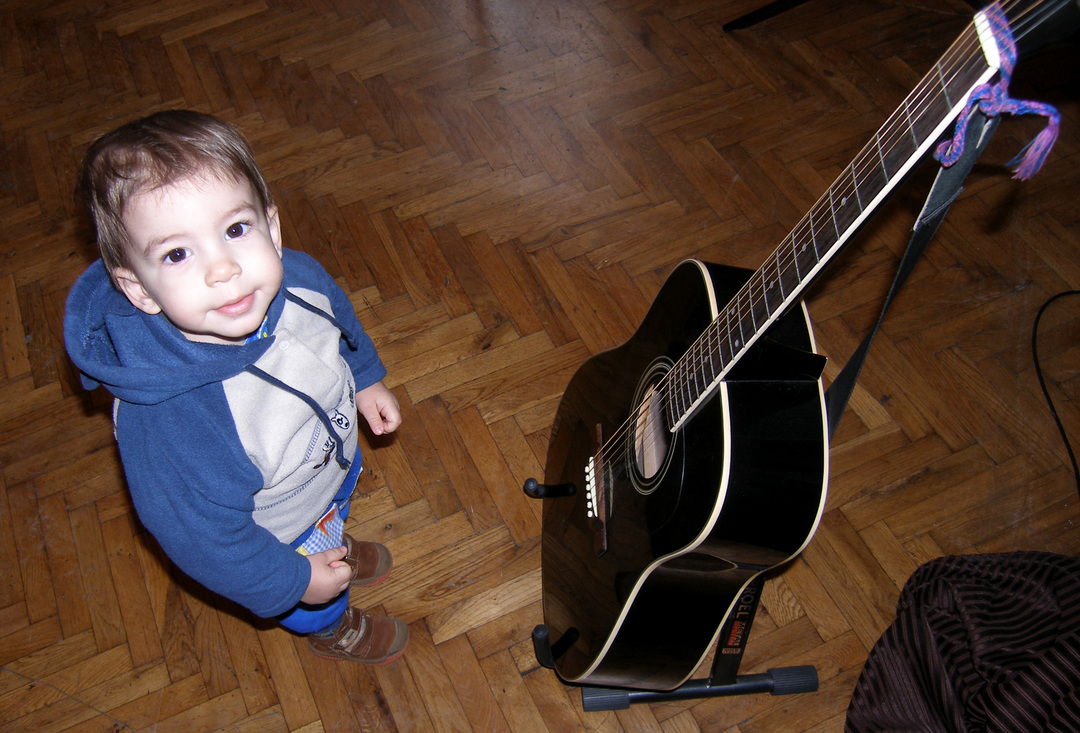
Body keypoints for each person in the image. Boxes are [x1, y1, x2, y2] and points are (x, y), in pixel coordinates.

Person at [63, 110, 408, 665]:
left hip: (324, 470)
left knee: (332, 516)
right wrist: (294, 580)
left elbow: (339, 319)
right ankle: (330, 624)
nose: (223, 268)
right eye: (177, 254)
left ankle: (334, 539)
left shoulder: (296, 275)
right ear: (139, 289)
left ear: (271, 228)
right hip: (275, 537)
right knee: (314, 599)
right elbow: (207, 543)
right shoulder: (173, 422)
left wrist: (365, 377)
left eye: (235, 229)